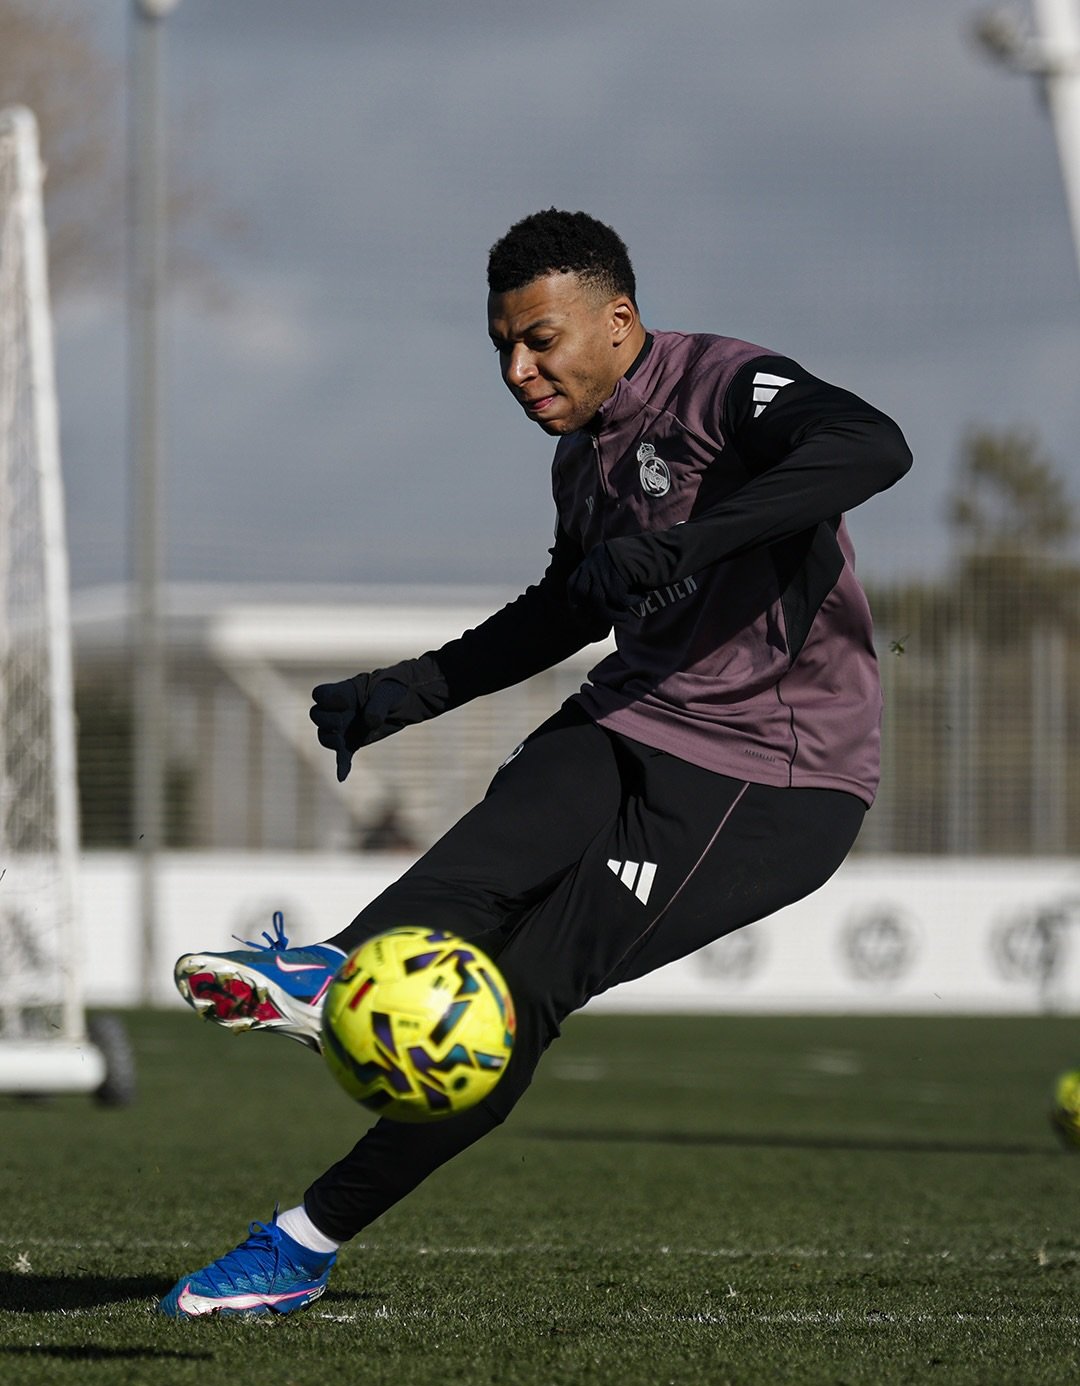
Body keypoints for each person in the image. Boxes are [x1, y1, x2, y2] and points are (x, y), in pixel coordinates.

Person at [160, 209, 912, 1318]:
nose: (519, 370)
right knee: (493, 849)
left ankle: (300, 1244)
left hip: (775, 777)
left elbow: (871, 447)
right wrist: (409, 690)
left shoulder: (725, 386)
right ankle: (333, 968)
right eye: (503, 347)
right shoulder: (583, 458)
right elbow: (570, 605)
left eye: (541, 340)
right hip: (638, 717)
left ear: (619, 321)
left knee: (515, 997)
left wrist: (686, 544)